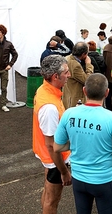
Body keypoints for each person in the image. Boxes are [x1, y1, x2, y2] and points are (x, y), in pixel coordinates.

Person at [53, 73, 112, 214]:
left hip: (79, 178)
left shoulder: (69, 114)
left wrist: (79, 144)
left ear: (84, 90)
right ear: (107, 93)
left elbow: (57, 147)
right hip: (104, 179)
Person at [32, 55, 72, 214]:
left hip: (49, 158)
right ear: (56, 76)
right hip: (56, 160)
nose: (69, 75)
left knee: (48, 193)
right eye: (66, 72)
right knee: (52, 200)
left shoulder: (44, 89)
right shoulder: (49, 107)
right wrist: (64, 171)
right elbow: (51, 145)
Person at [62, 42, 94, 108]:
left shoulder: (66, 58)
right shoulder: (75, 65)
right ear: (83, 54)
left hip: (67, 95)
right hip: (75, 99)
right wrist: (88, 65)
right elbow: (87, 80)